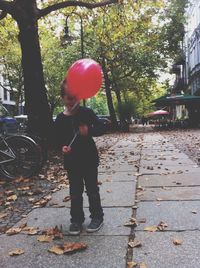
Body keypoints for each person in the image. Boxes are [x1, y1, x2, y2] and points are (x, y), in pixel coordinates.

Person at [54, 80, 104, 235]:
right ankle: (76, 219)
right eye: (69, 98)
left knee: (92, 190)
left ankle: (97, 217)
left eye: (75, 97)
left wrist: (88, 131)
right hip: (72, 162)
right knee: (75, 192)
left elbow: (101, 127)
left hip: (89, 159)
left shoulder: (86, 113)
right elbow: (57, 138)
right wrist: (62, 147)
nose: (73, 101)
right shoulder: (60, 118)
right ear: (63, 98)